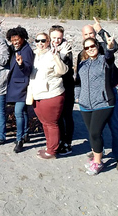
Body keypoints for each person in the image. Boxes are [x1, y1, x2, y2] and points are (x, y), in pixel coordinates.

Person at [77, 17, 118, 172]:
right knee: (94, 129)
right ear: (82, 37)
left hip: (108, 94)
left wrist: (101, 30)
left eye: (92, 33)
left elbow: (113, 48)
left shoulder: (103, 47)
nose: (89, 37)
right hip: (89, 99)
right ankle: (99, 152)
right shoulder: (82, 55)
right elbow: (79, 78)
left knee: (114, 125)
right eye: (86, 35)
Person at [75, 35, 117, 175]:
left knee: (94, 133)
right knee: (92, 134)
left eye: (92, 46)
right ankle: (96, 157)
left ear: (97, 46)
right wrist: (78, 96)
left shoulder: (104, 60)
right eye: (87, 47)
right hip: (85, 104)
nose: (90, 49)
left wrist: (110, 47)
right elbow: (78, 82)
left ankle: (98, 163)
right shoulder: (82, 64)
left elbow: (110, 57)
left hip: (103, 102)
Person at [27, 32, 69, 159]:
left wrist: (56, 57)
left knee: (51, 123)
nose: (40, 43)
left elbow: (63, 70)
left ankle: (52, 151)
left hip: (51, 94)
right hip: (37, 94)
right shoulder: (34, 54)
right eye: (37, 40)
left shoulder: (52, 54)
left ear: (48, 41)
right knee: (44, 122)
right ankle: (49, 147)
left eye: (43, 40)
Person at [6, 26, 34, 153]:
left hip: (22, 87)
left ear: (22, 38)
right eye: (12, 40)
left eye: (17, 39)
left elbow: (28, 70)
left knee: (18, 113)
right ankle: (25, 134)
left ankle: (19, 140)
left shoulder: (26, 50)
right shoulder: (16, 48)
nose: (15, 42)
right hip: (17, 86)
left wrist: (21, 64)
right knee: (23, 113)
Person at [49, 25, 74, 155]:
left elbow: (65, 69)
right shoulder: (48, 47)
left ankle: (67, 143)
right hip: (54, 86)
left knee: (67, 115)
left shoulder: (66, 49)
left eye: (59, 38)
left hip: (66, 85)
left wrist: (62, 55)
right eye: (54, 37)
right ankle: (58, 141)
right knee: (57, 115)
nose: (56, 40)